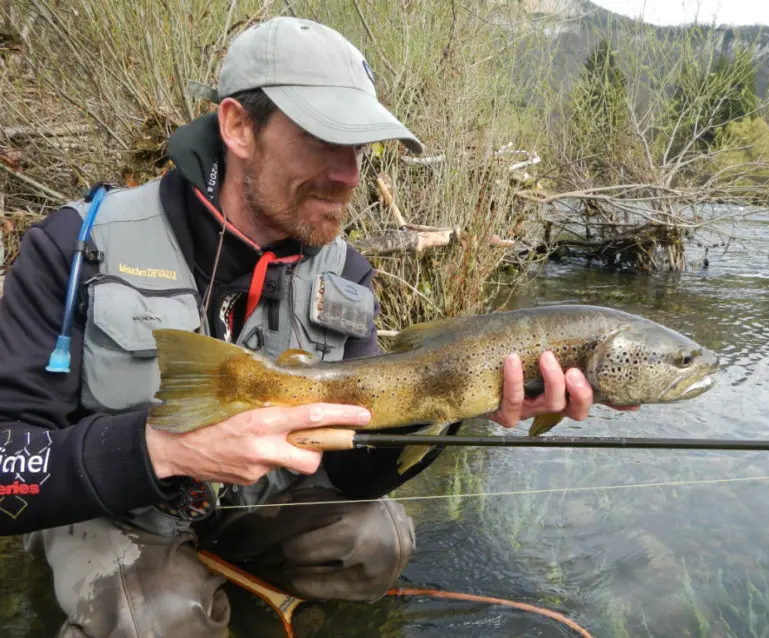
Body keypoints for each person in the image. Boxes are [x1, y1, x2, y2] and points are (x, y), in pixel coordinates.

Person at [0, 16, 626, 638]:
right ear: (239, 127)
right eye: (326, 141)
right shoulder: (75, 247)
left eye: (360, 149)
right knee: (158, 623)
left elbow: (353, 474)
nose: (351, 174)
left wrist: (457, 398)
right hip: (116, 516)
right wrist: (162, 450)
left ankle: (238, 592)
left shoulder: (348, 274)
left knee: (376, 541)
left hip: (252, 509)